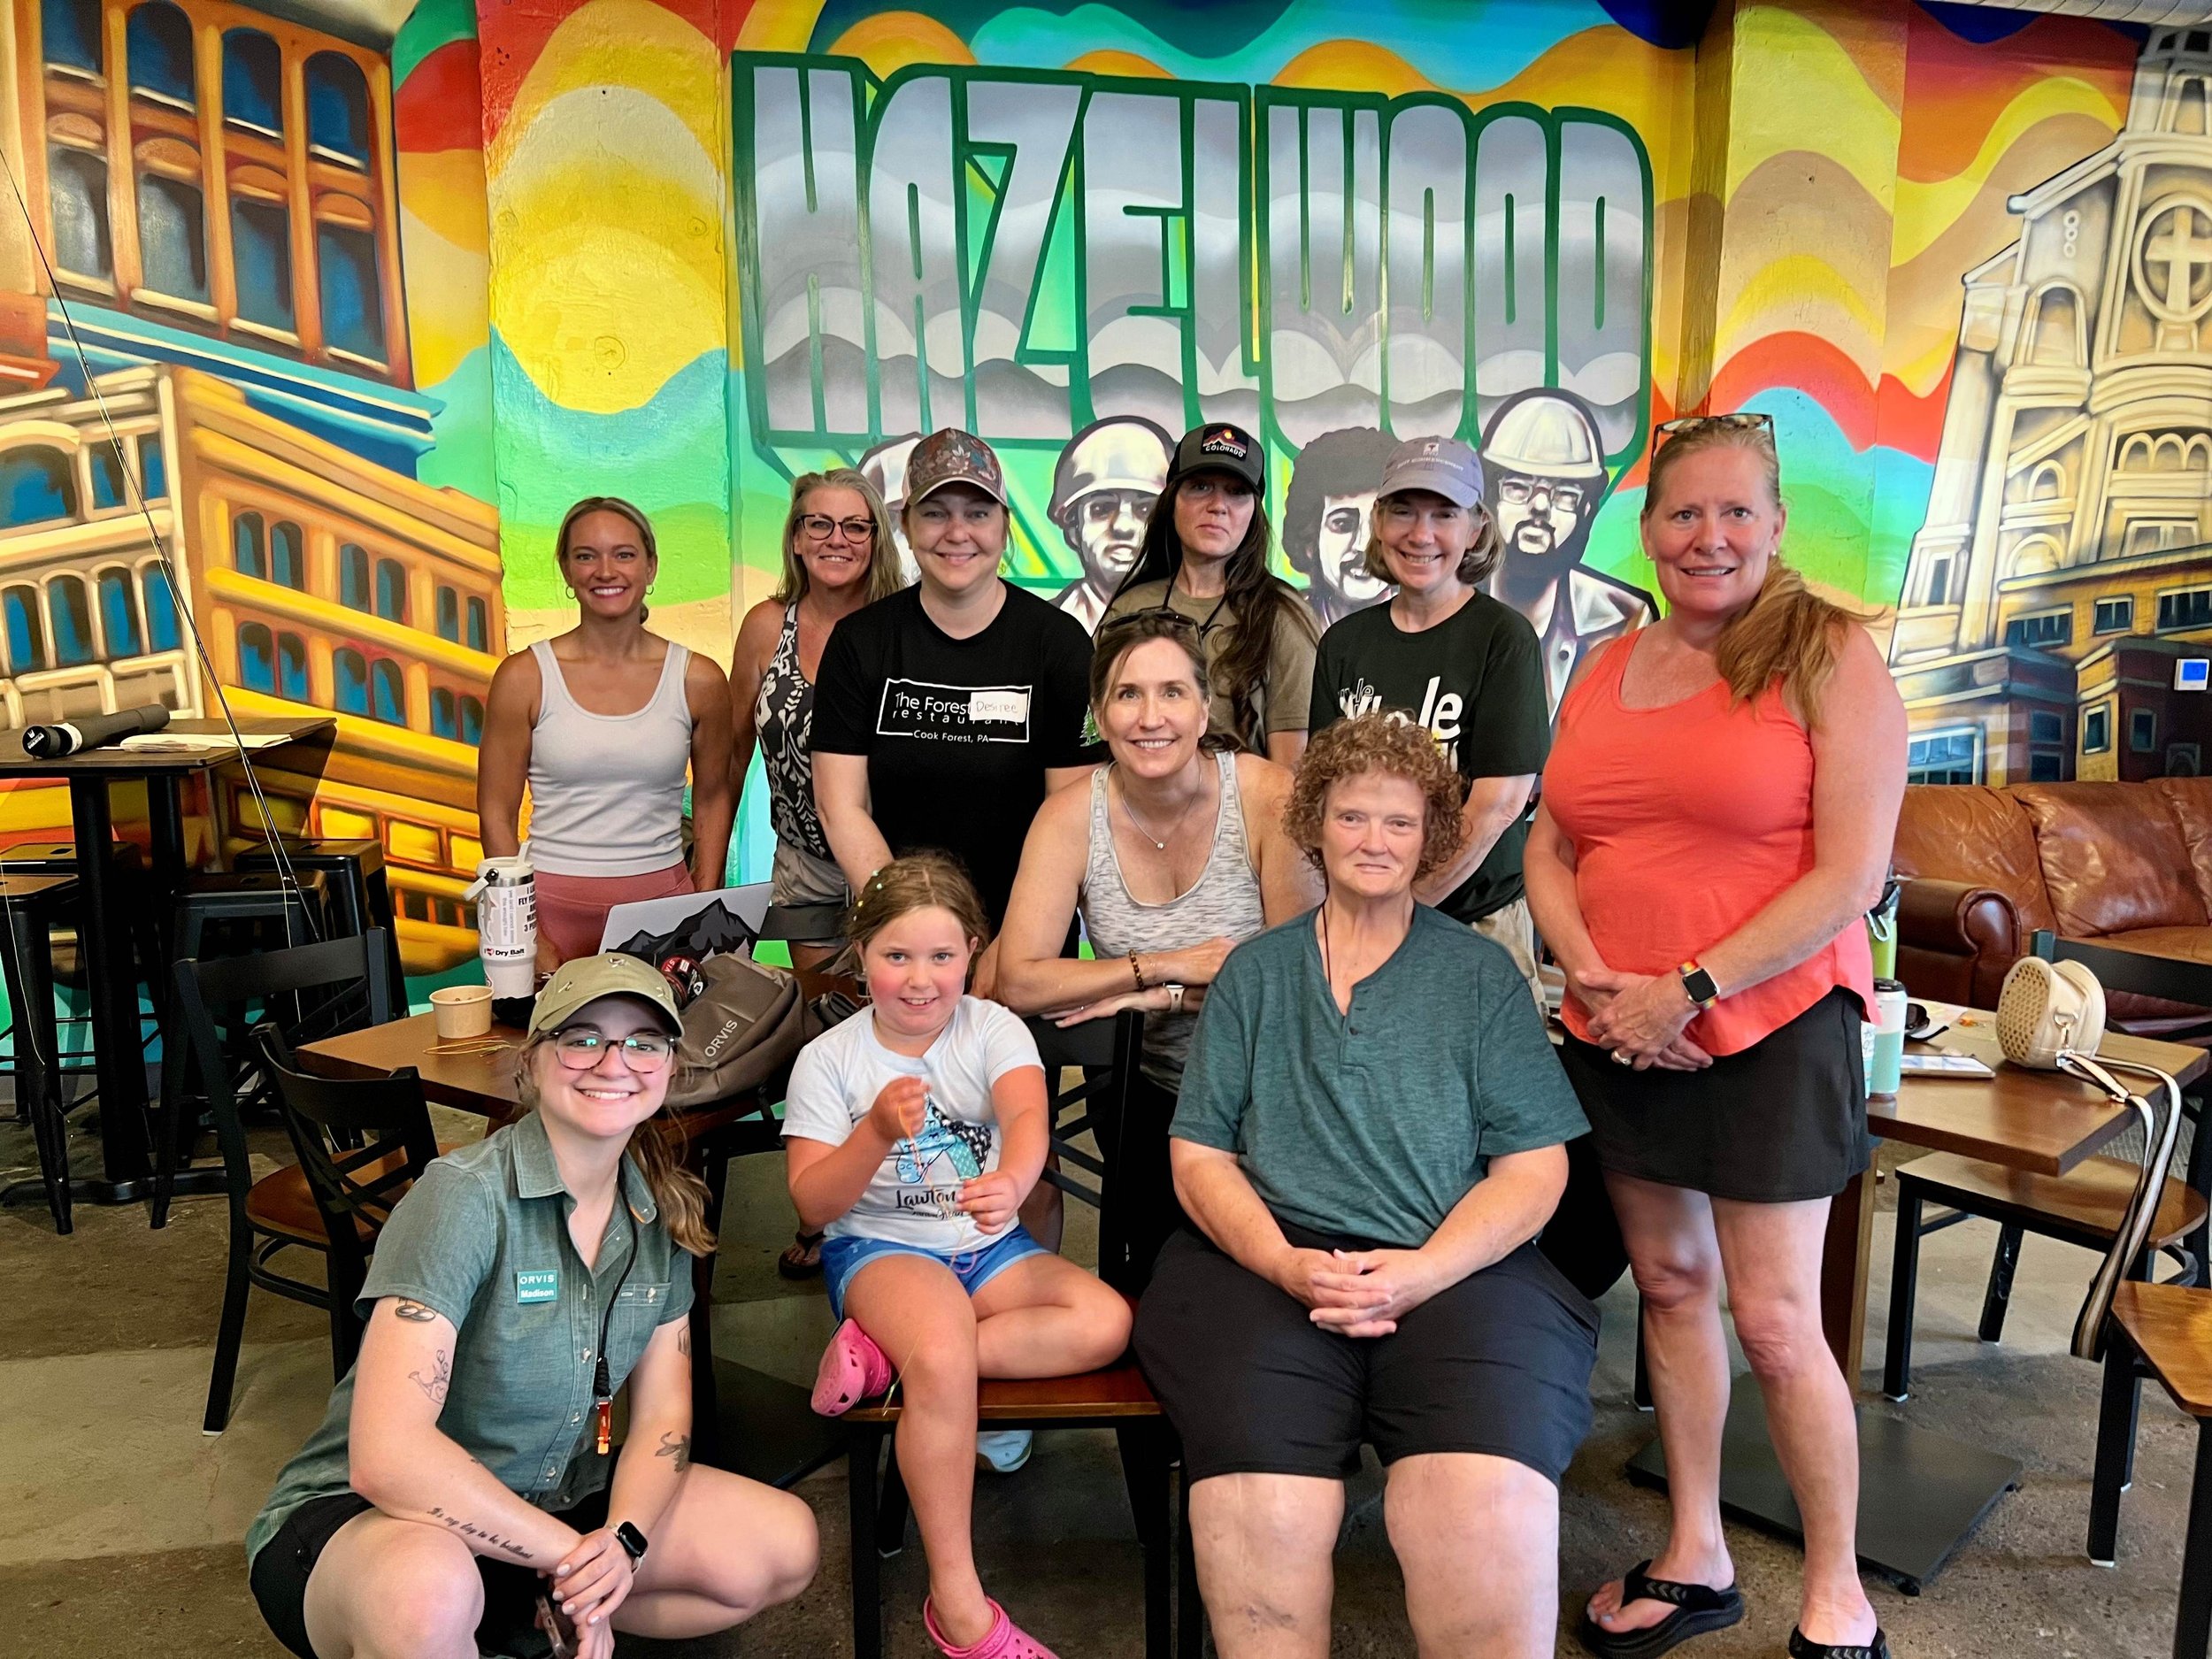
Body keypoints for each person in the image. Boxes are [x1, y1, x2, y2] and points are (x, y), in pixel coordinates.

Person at [1524, 413, 1906, 1659]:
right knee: (1674, 1289)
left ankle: (1837, 1585)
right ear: (1649, 530)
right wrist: (1599, 979)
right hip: (1621, 1027)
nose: (1710, 536)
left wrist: (1684, 985)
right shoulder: (1607, 664)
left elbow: (1851, 873)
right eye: (1685, 512)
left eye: (1738, 510)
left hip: (1773, 1023)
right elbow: (1553, 840)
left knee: (1779, 1317)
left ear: (1779, 523)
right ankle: (1697, 1549)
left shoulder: (1830, 655)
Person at [1134, 714, 1598, 1659]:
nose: (1373, 841)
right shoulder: (1256, 975)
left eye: (1397, 822)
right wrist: (1284, 1262)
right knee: (1264, 1507)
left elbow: (1534, 1165)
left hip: (1457, 1263)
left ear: (1431, 838)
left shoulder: (1480, 976)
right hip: (1263, 1265)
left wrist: (1422, 1273)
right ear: (1315, 825)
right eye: (1351, 817)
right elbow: (1199, 1157)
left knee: (1477, 1503)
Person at [246, 954, 818, 1659]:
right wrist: (573, 1555)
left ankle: (517, 1616)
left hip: (559, 1503)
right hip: (382, 1522)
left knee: (782, 1544)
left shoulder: (660, 1211)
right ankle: (457, 1622)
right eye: (583, 1037)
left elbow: (664, 1417)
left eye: (645, 1041)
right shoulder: (463, 1197)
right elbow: (386, 1458)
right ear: (532, 1060)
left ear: (671, 1067)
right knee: (429, 1591)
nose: (615, 1061)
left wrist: (622, 1546)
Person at [784, 855, 1132, 1659]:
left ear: (973, 952)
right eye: (895, 955)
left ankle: (892, 1360)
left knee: (1105, 1320)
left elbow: (1025, 1111)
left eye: (941, 957)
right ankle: (960, 1604)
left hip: (986, 1246)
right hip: (882, 1250)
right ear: (859, 952)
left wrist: (1012, 1181)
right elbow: (811, 1204)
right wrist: (873, 1132)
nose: (918, 979)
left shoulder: (992, 1026)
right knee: (939, 1344)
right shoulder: (829, 1060)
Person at [996, 611, 1321, 1279]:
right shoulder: (1069, 815)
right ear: (1100, 715)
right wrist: (1165, 966)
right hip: (1145, 1087)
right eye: (1127, 694)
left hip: (1270, 1087)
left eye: (1172, 692)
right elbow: (1019, 980)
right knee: (1162, 1279)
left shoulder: (1266, 796)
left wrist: (1158, 999)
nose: (1151, 717)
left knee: (1264, 1276)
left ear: (1204, 709)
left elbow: (1299, 981)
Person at [812, 427, 1097, 994]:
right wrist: (915, 932)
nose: (957, 533)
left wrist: (1009, 947)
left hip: (1026, 944)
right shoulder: (861, 642)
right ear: (907, 527)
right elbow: (840, 804)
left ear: (1004, 526)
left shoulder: (1061, 645)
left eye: (977, 512)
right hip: (901, 951)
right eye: (936, 513)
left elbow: (1073, 814)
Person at [730, 469, 907, 1281]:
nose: (838, 539)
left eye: (856, 525)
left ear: (877, 539)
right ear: (796, 538)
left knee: (901, 1033)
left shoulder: (900, 625)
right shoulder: (767, 626)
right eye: (819, 524)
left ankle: (903, 1204)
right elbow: (729, 753)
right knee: (832, 1035)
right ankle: (825, 1207)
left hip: (891, 860)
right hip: (803, 864)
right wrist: (708, 877)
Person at [1308, 435, 1550, 997]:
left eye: (1444, 514)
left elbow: (1499, 805)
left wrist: (1399, 910)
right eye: (1403, 511)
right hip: (1359, 922)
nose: (1421, 534)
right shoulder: (1344, 643)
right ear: (1378, 521)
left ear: (1476, 529)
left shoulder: (1502, 638)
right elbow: (1323, 796)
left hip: (1475, 926)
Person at [478, 497, 734, 965]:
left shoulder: (699, 679)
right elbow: (496, 810)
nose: (605, 570)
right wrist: (521, 927)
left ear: (651, 567)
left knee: (664, 1041)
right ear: (567, 571)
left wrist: (704, 901)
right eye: (585, 555)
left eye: (624, 554)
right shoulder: (523, 677)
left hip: (664, 911)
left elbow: (714, 796)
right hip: (549, 912)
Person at [1102, 421, 1321, 766]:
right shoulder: (1129, 608)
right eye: (1201, 486)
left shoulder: (1281, 614)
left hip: (1248, 813)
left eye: (1236, 492)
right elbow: (1101, 738)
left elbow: (1290, 774)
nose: (1218, 505)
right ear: (1173, 498)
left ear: (1254, 512)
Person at [1478, 388, 1655, 718]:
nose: (1540, 507)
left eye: (1564, 494)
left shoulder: (1626, 618)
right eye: (1518, 488)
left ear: (1588, 507)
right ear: (1489, 495)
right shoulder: (1445, 608)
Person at [1047, 416, 1173, 632]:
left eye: (1145, 510)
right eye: (1102, 509)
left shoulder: (1193, 624)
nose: (1123, 527)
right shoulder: (1042, 627)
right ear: (1073, 529)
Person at [1281, 426, 1398, 627]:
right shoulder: (1285, 625)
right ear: (1310, 542)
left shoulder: (1430, 624)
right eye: (1343, 524)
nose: (1362, 546)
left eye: (1381, 522)